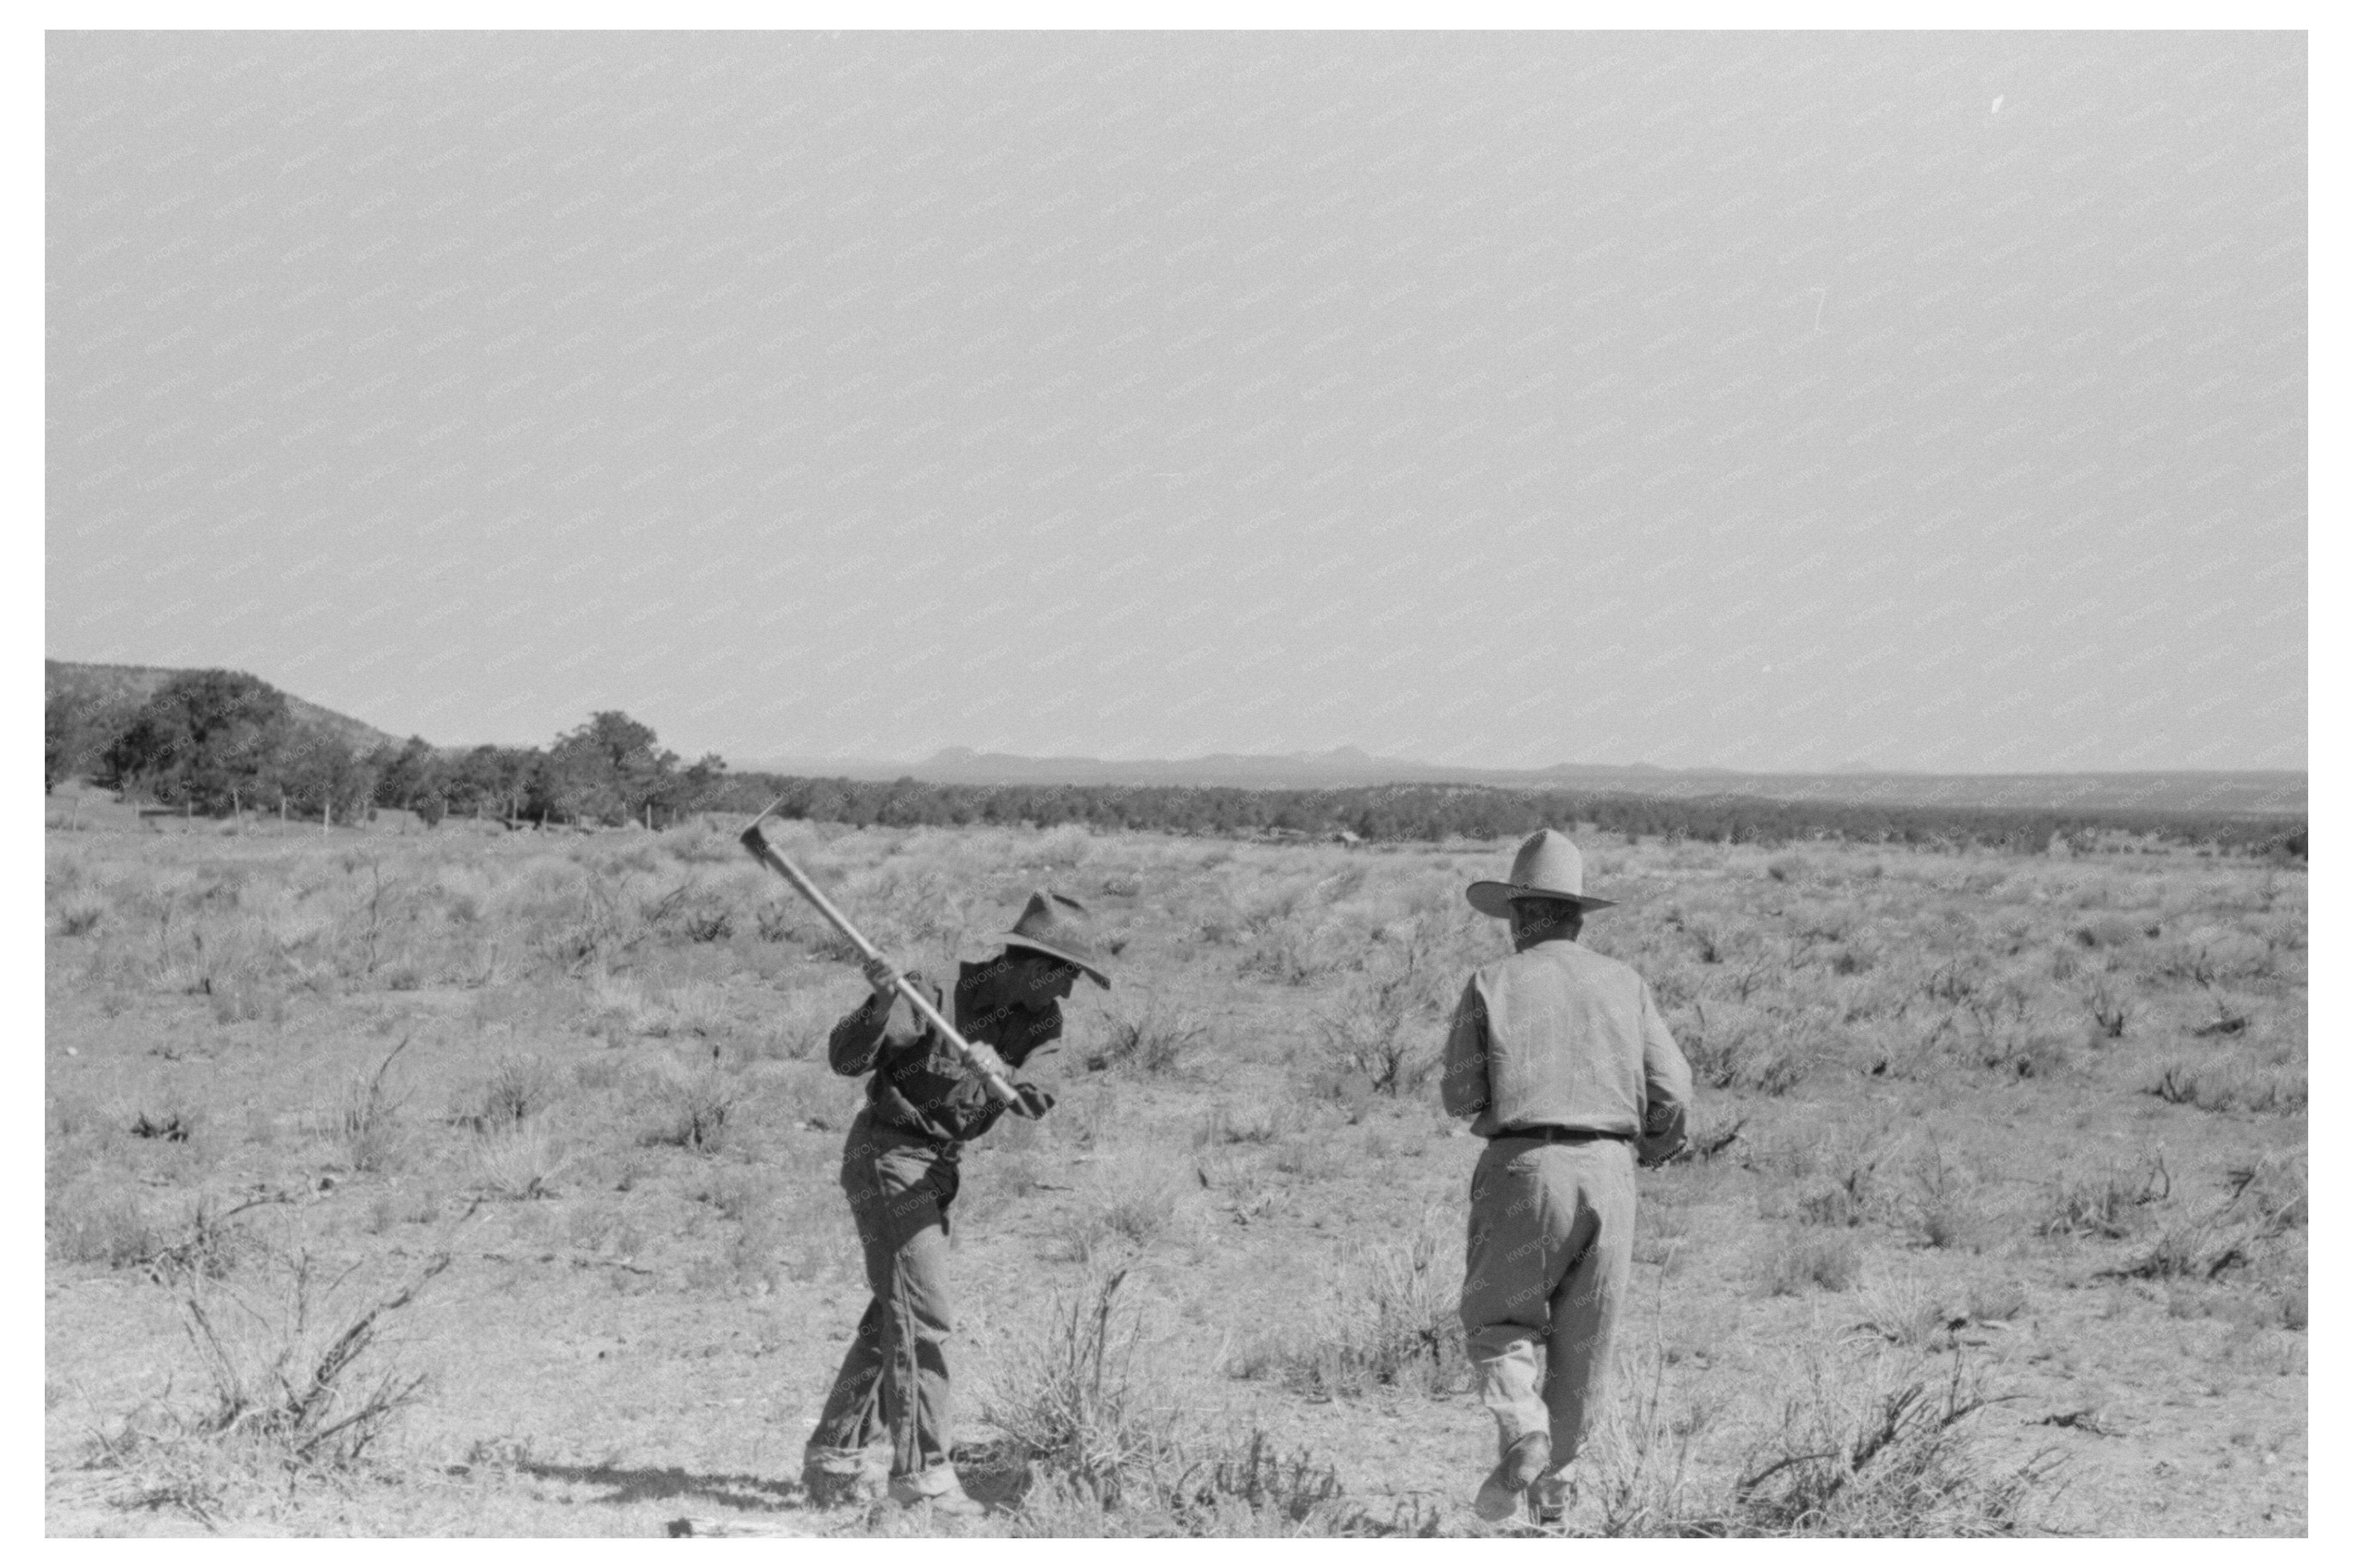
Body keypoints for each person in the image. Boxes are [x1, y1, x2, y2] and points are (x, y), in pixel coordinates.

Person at [799, 889, 1112, 1518]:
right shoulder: (932, 990)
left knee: (896, 1313)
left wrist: (1001, 1073)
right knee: (924, 1314)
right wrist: (885, 1001)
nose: (1069, 991)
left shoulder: (1042, 1020)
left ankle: (833, 1460)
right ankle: (923, 1480)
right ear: (1026, 960)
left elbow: (1033, 1103)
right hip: (886, 1155)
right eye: (1064, 973)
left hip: (937, 1170)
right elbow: (844, 1058)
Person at [1439, 829, 1693, 1527]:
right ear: (1578, 916)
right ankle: (1556, 1505)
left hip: (1526, 1168)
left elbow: (1460, 1095)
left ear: (1522, 916)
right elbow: (1674, 1088)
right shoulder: (1626, 983)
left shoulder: (1493, 982)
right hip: (1611, 1173)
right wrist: (1654, 1146)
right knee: (1585, 1344)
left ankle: (1524, 1430)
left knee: (1499, 1321)